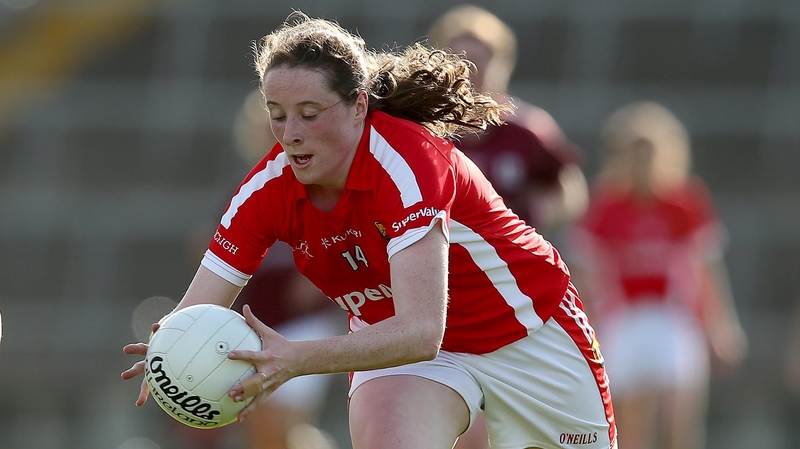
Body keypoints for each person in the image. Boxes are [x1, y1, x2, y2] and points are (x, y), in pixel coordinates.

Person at [122, 11, 617, 449]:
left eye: (309, 114)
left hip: (527, 332)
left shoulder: (408, 163)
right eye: (277, 115)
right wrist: (173, 357)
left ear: (359, 106)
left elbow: (422, 328)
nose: (290, 133)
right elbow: (198, 308)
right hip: (409, 357)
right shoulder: (265, 191)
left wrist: (295, 359)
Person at [567, 101, 747, 449]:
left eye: (650, 151)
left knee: (679, 416)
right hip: (625, 321)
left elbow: (707, 268)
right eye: (635, 152)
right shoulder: (606, 207)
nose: (643, 162)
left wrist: (722, 327)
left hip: (674, 319)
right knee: (631, 418)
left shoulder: (684, 204)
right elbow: (584, 272)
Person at [427, 4, 588, 237]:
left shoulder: (527, 129)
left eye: (478, 61)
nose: (469, 72)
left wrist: (536, 218)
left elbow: (567, 188)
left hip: (510, 258)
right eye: (460, 62)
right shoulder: (424, 129)